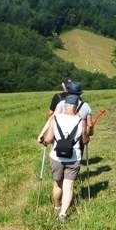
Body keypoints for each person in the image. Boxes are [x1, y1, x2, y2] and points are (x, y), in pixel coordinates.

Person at [38, 93, 89, 223]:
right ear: (76, 107)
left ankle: (57, 206)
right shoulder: (80, 121)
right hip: (74, 157)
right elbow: (84, 140)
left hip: (56, 157)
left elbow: (49, 139)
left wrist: (43, 141)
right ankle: (63, 214)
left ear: (64, 106)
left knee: (57, 183)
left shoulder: (55, 119)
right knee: (69, 185)